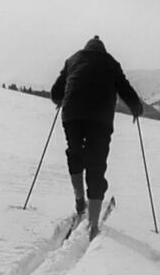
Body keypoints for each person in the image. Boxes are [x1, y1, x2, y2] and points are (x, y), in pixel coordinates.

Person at [51, 36, 143, 240]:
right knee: (96, 164)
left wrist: (60, 99)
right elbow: (125, 88)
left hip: (72, 115)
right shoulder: (111, 63)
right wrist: (136, 108)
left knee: (74, 154)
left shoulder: (73, 60)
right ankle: (93, 225)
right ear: (102, 50)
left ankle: (79, 200)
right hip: (100, 119)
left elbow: (56, 92)